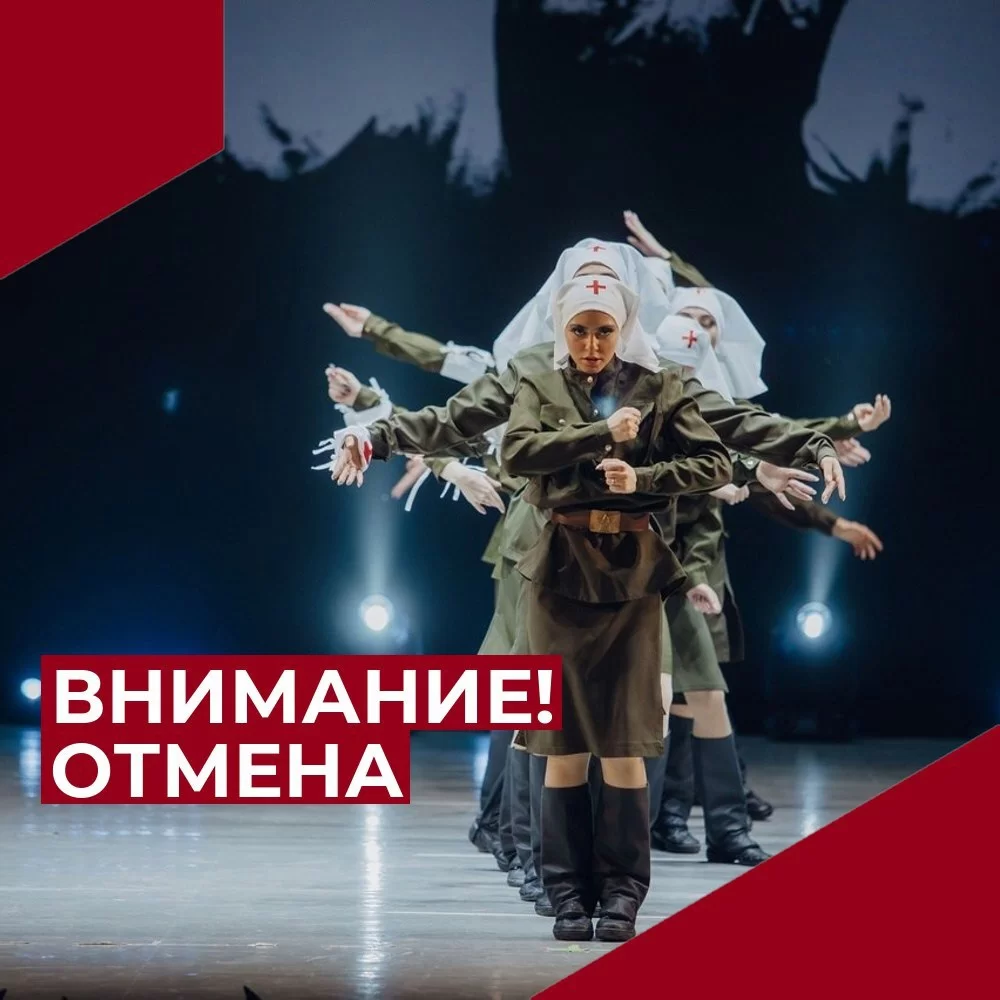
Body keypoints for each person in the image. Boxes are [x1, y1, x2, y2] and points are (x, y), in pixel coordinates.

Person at [500, 274, 733, 941]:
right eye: (579, 330)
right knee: (564, 744)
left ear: (624, 328)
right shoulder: (539, 383)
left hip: (633, 574)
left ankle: (624, 894)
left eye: (604, 330)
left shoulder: (660, 386)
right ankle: (567, 896)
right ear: (561, 329)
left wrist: (646, 476)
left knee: (626, 742)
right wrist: (596, 433)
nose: (592, 344)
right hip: (559, 572)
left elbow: (715, 463)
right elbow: (516, 453)